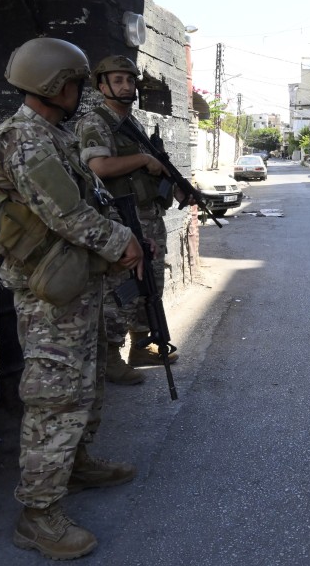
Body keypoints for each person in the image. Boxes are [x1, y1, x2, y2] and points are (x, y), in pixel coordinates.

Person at [0, 37, 144, 560]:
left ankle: (75, 465)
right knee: (55, 398)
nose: (80, 93)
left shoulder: (52, 134)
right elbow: (66, 216)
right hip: (49, 294)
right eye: (74, 83)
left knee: (87, 383)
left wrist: (119, 234)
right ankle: (38, 513)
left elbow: (85, 199)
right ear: (56, 86)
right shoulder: (25, 140)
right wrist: (123, 242)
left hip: (74, 282)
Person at [75, 55, 180, 386]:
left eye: (130, 80)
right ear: (102, 85)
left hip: (148, 217)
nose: (125, 86)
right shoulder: (96, 122)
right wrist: (144, 158)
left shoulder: (131, 124)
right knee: (122, 291)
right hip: (120, 219)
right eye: (117, 80)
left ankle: (141, 347)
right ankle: (111, 359)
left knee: (150, 287)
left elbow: (153, 170)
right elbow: (98, 168)